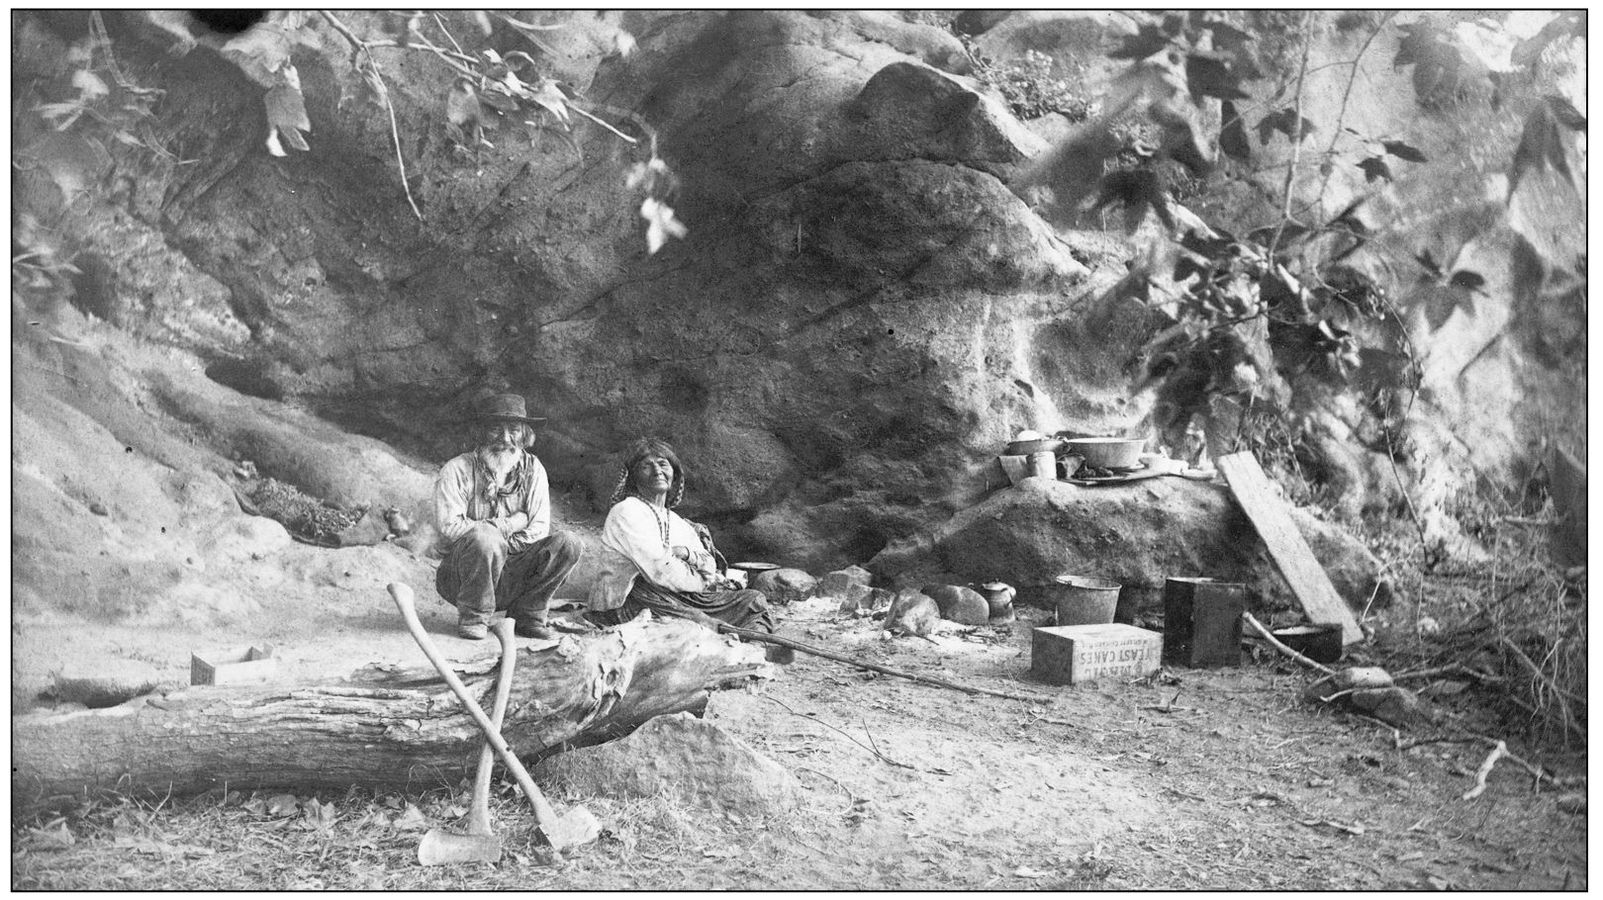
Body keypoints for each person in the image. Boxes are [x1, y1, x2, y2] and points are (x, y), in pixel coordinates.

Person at [591, 438, 789, 660]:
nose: (657, 471)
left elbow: (709, 563)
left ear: (673, 472)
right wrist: (700, 579)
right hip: (632, 599)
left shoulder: (675, 520)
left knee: (752, 600)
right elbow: (659, 569)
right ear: (633, 477)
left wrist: (687, 554)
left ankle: (756, 644)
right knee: (701, 622)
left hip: (678, 593)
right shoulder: (626, 511)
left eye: (663, 464)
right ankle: (745, 648)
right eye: (646, 466)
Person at [434, 393, 583, 640]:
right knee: (484, 537)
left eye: (514, 430)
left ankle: (528, 616)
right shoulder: (456, 469)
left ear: (525, 435)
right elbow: (450, 527)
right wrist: (510, 524)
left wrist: (503, 545)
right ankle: (474, 617)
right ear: (481, 433)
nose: (505, 439)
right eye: (495, 429)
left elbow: (539, 528)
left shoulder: (534, 469)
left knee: (569, 543)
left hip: (513, 572)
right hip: (462, 575)